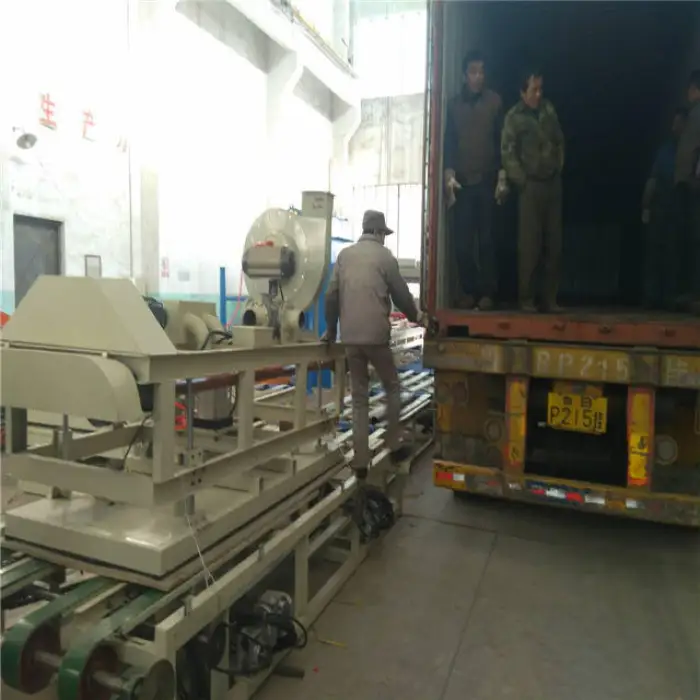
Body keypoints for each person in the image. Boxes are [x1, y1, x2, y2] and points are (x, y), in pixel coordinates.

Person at [323, 210, 420, 480]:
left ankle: (361, 462)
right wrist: (417, 317)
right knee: (392, 386)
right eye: (384, 234)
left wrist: (330, 331)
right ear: (378, 232)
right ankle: (393, 444)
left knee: (359, 398)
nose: (384, 238)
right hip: (376, 338)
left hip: (350, 338)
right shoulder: (384, 257)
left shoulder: (344, 256)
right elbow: (401, 296)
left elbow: (331, 296)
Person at [443, 50, 503, 311]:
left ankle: (488, 293)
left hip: (487, 181)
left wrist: (502, 174)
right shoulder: (454, 106)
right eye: (473, 72)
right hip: (463, 184)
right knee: (463, 244)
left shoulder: (495, 102)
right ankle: (470, 290)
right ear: (464, 76)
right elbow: (449, 141)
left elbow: (501, 140)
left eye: (481, 72)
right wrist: (448, 171)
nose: (478, 77)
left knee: (487, 241)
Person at [501, 67, 565, 313]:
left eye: (541, 89)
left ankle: (550, 299)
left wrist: (558, 166)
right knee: (530, 246)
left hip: (552, 184)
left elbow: (559, 140)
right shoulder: (514, 117)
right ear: (522, 92)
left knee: (554, 244)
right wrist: (522, 181)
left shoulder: (548, 109)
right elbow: (508, 152)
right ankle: (527, 300)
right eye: (534, 89)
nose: (538, 94)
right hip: (530, 187)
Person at [641, 107, 687, 308]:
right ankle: (651, 297)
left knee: (672, 255)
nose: (674, 128)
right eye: (674, 123)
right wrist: (646, 206)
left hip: (677, 209)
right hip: (660, 208)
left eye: (679, 123)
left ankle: (670, 297)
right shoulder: (665, 151)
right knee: (654, 253)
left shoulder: (689, 152)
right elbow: (653, 179)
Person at [674, 69, 700, 315]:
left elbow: (692, 149)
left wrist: (687, 179)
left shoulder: (697, 114)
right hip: (693, 183)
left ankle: (696, 293)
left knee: (695, 239)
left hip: (694, 185)